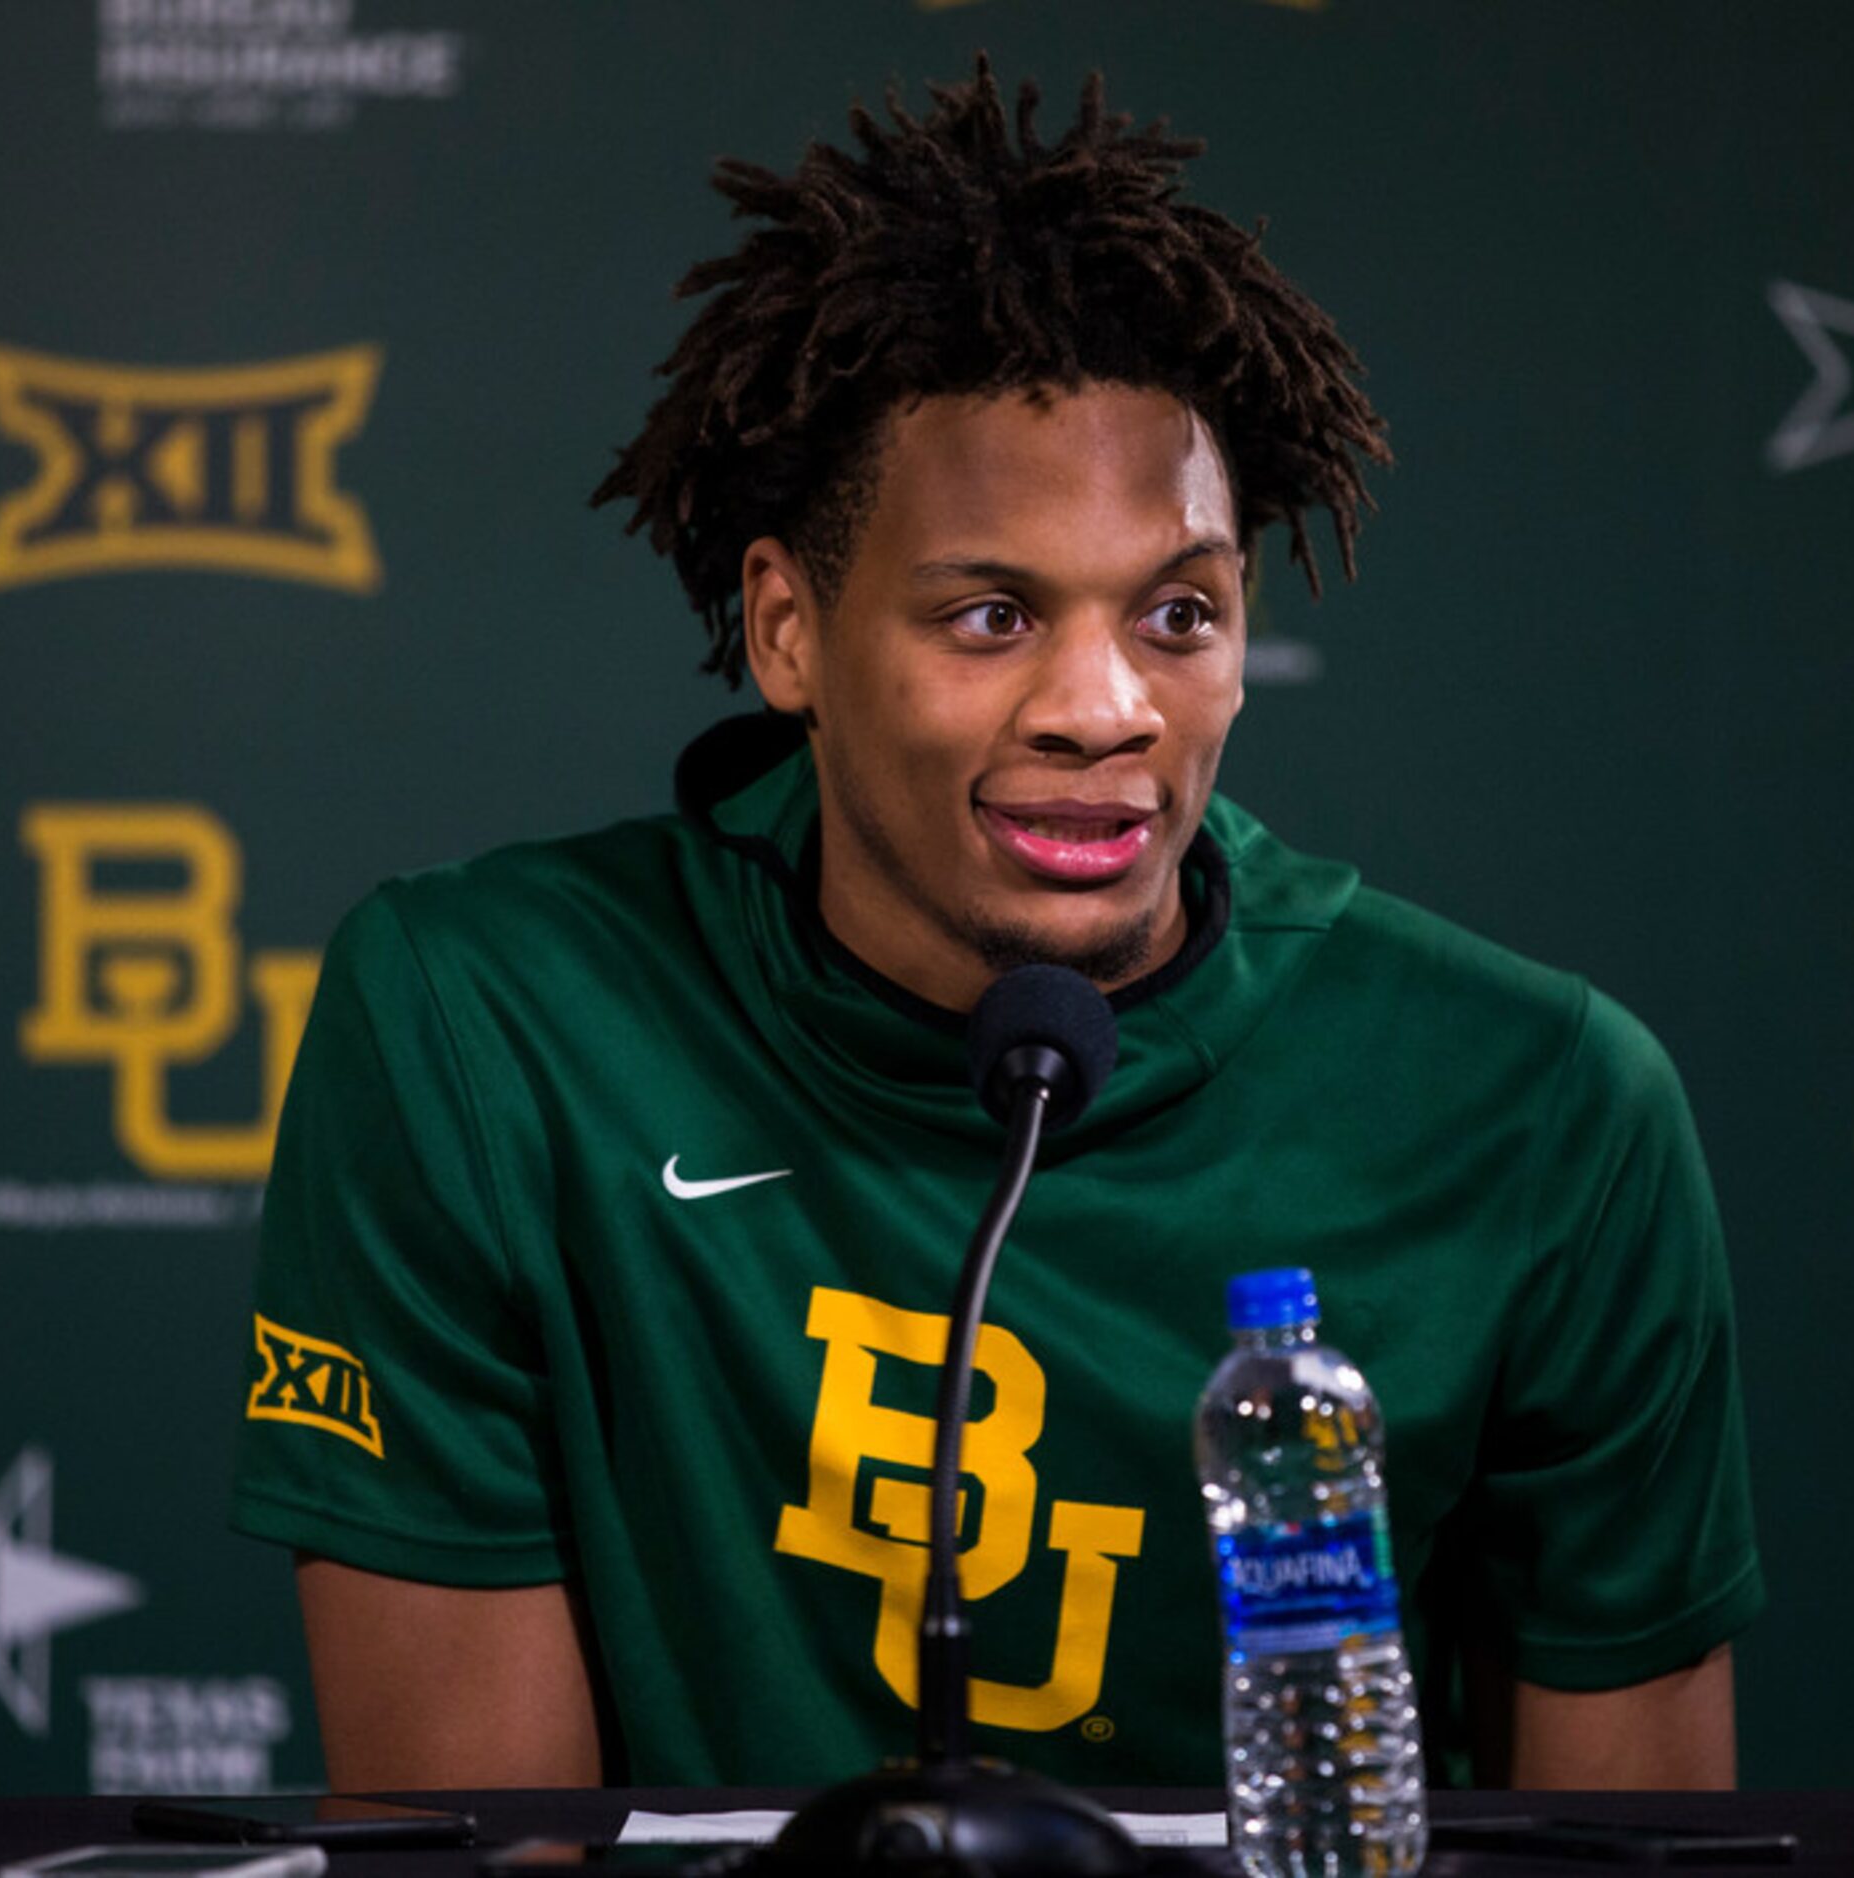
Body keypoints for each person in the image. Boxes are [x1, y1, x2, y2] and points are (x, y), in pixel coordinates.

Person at [230, 60, 1761, 1795]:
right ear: (788, 629)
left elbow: (1632, 1851)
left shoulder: (1548, 1107)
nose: (1103, 709)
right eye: (988, 615)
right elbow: (489, 1849)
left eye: (1180, 610)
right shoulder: (481, 1028)